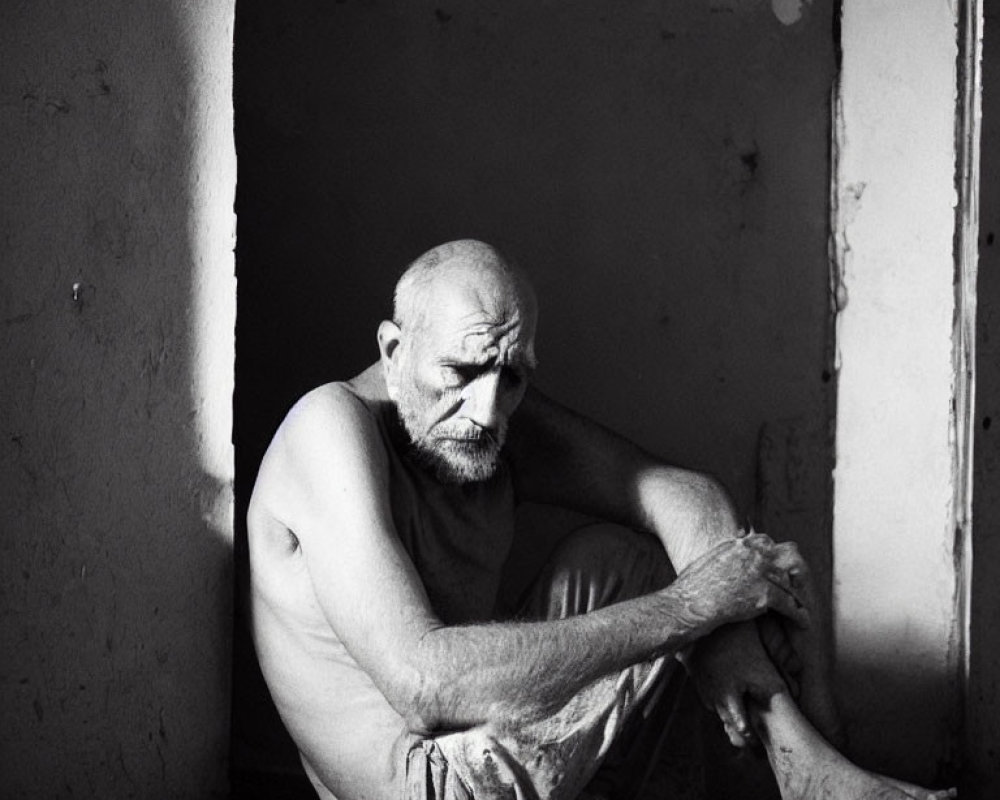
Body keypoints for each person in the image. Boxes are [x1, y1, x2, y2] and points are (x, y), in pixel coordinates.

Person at [247, 240, 955, 800]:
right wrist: (692, 607)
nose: (490, 411)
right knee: (679, 590)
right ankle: (814, 772)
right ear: (394, 352)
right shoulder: (328, 427)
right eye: (461, 373)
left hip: (486, 737)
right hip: (428, 778)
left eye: (514, 375)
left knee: (629, 561)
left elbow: (678, 492)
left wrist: (719, 598)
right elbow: (426, 685)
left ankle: (807, 761)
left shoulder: (483, 414)